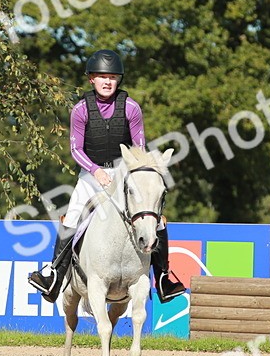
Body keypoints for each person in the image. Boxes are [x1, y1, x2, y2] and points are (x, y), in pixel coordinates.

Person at [27, 49, 187, 304]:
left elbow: (139, 149)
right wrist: (96, 171)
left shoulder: (131, 108)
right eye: (102, 77)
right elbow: (75, 149)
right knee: (73, 215)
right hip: (91, 173)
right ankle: (54, 274)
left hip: (124, 174)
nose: (107, 82)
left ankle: (164, 278)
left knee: (156, 221)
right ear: (91, 79)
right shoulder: (81, 109)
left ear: (118, 80)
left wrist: (133, 174)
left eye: (112, 77)